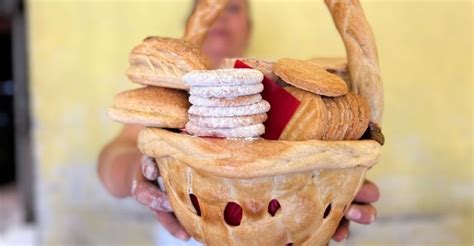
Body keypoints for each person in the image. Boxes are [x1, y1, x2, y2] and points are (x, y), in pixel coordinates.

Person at [98, 0, 379, 244]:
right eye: (210, 7)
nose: (221, 16)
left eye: (233, 8)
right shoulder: (167, 100)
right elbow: (110, 162)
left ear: (249, 28)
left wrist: (333, 183)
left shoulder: (287, 90)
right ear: (190, 25)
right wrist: (139, 172)